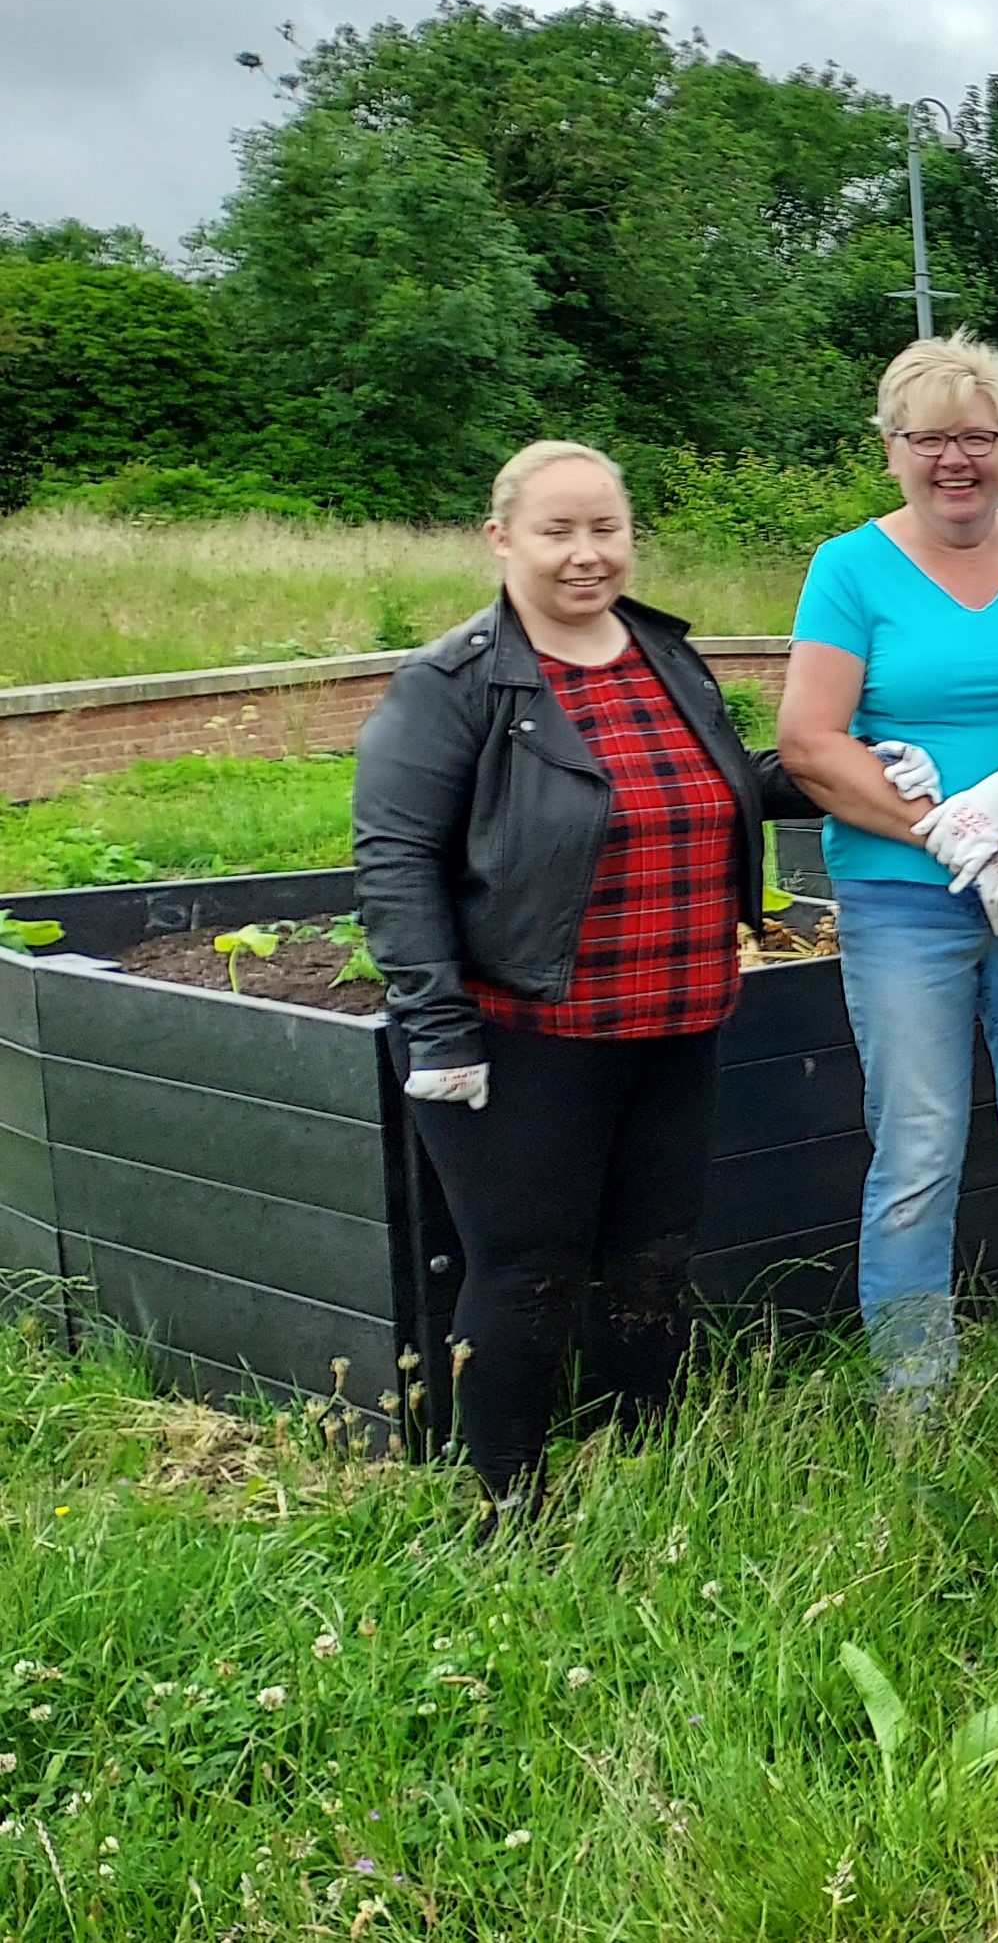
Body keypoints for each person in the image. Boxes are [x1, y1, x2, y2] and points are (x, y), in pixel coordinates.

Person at [354, 441, 820, 1501]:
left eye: (604, 528)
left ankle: (642, 1463)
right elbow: (397, 860)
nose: (585, 554)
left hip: (676, 1016)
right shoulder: (454, 683)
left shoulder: (664, 654)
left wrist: (823, 774)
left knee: (652, 1255)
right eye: (557, 531)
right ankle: (506, 1500)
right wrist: (436, 1034)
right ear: (501, 538)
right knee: (528, 1270)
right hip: (528, 1033)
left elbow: (708, 786)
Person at [781, 334, 998, 1403]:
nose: (956, 460)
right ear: (892, 450)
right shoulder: (850, 570)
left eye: (979, 437)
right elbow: (809, 742)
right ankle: (914, 1389)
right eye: (931, 439)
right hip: (902, 904)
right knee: (919, 1149)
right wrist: (947, 834)